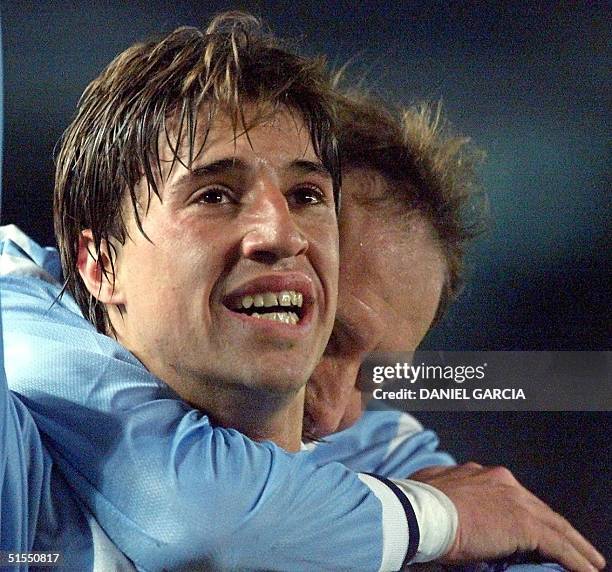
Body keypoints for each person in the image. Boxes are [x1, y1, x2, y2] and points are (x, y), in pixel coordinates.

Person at [1, 12, 604, 572]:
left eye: (305, 197)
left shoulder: (377, 452)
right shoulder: (25, 440)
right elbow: (203, 516)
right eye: (215, 195)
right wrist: (434, 517)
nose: (335, 412)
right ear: (97, 265)